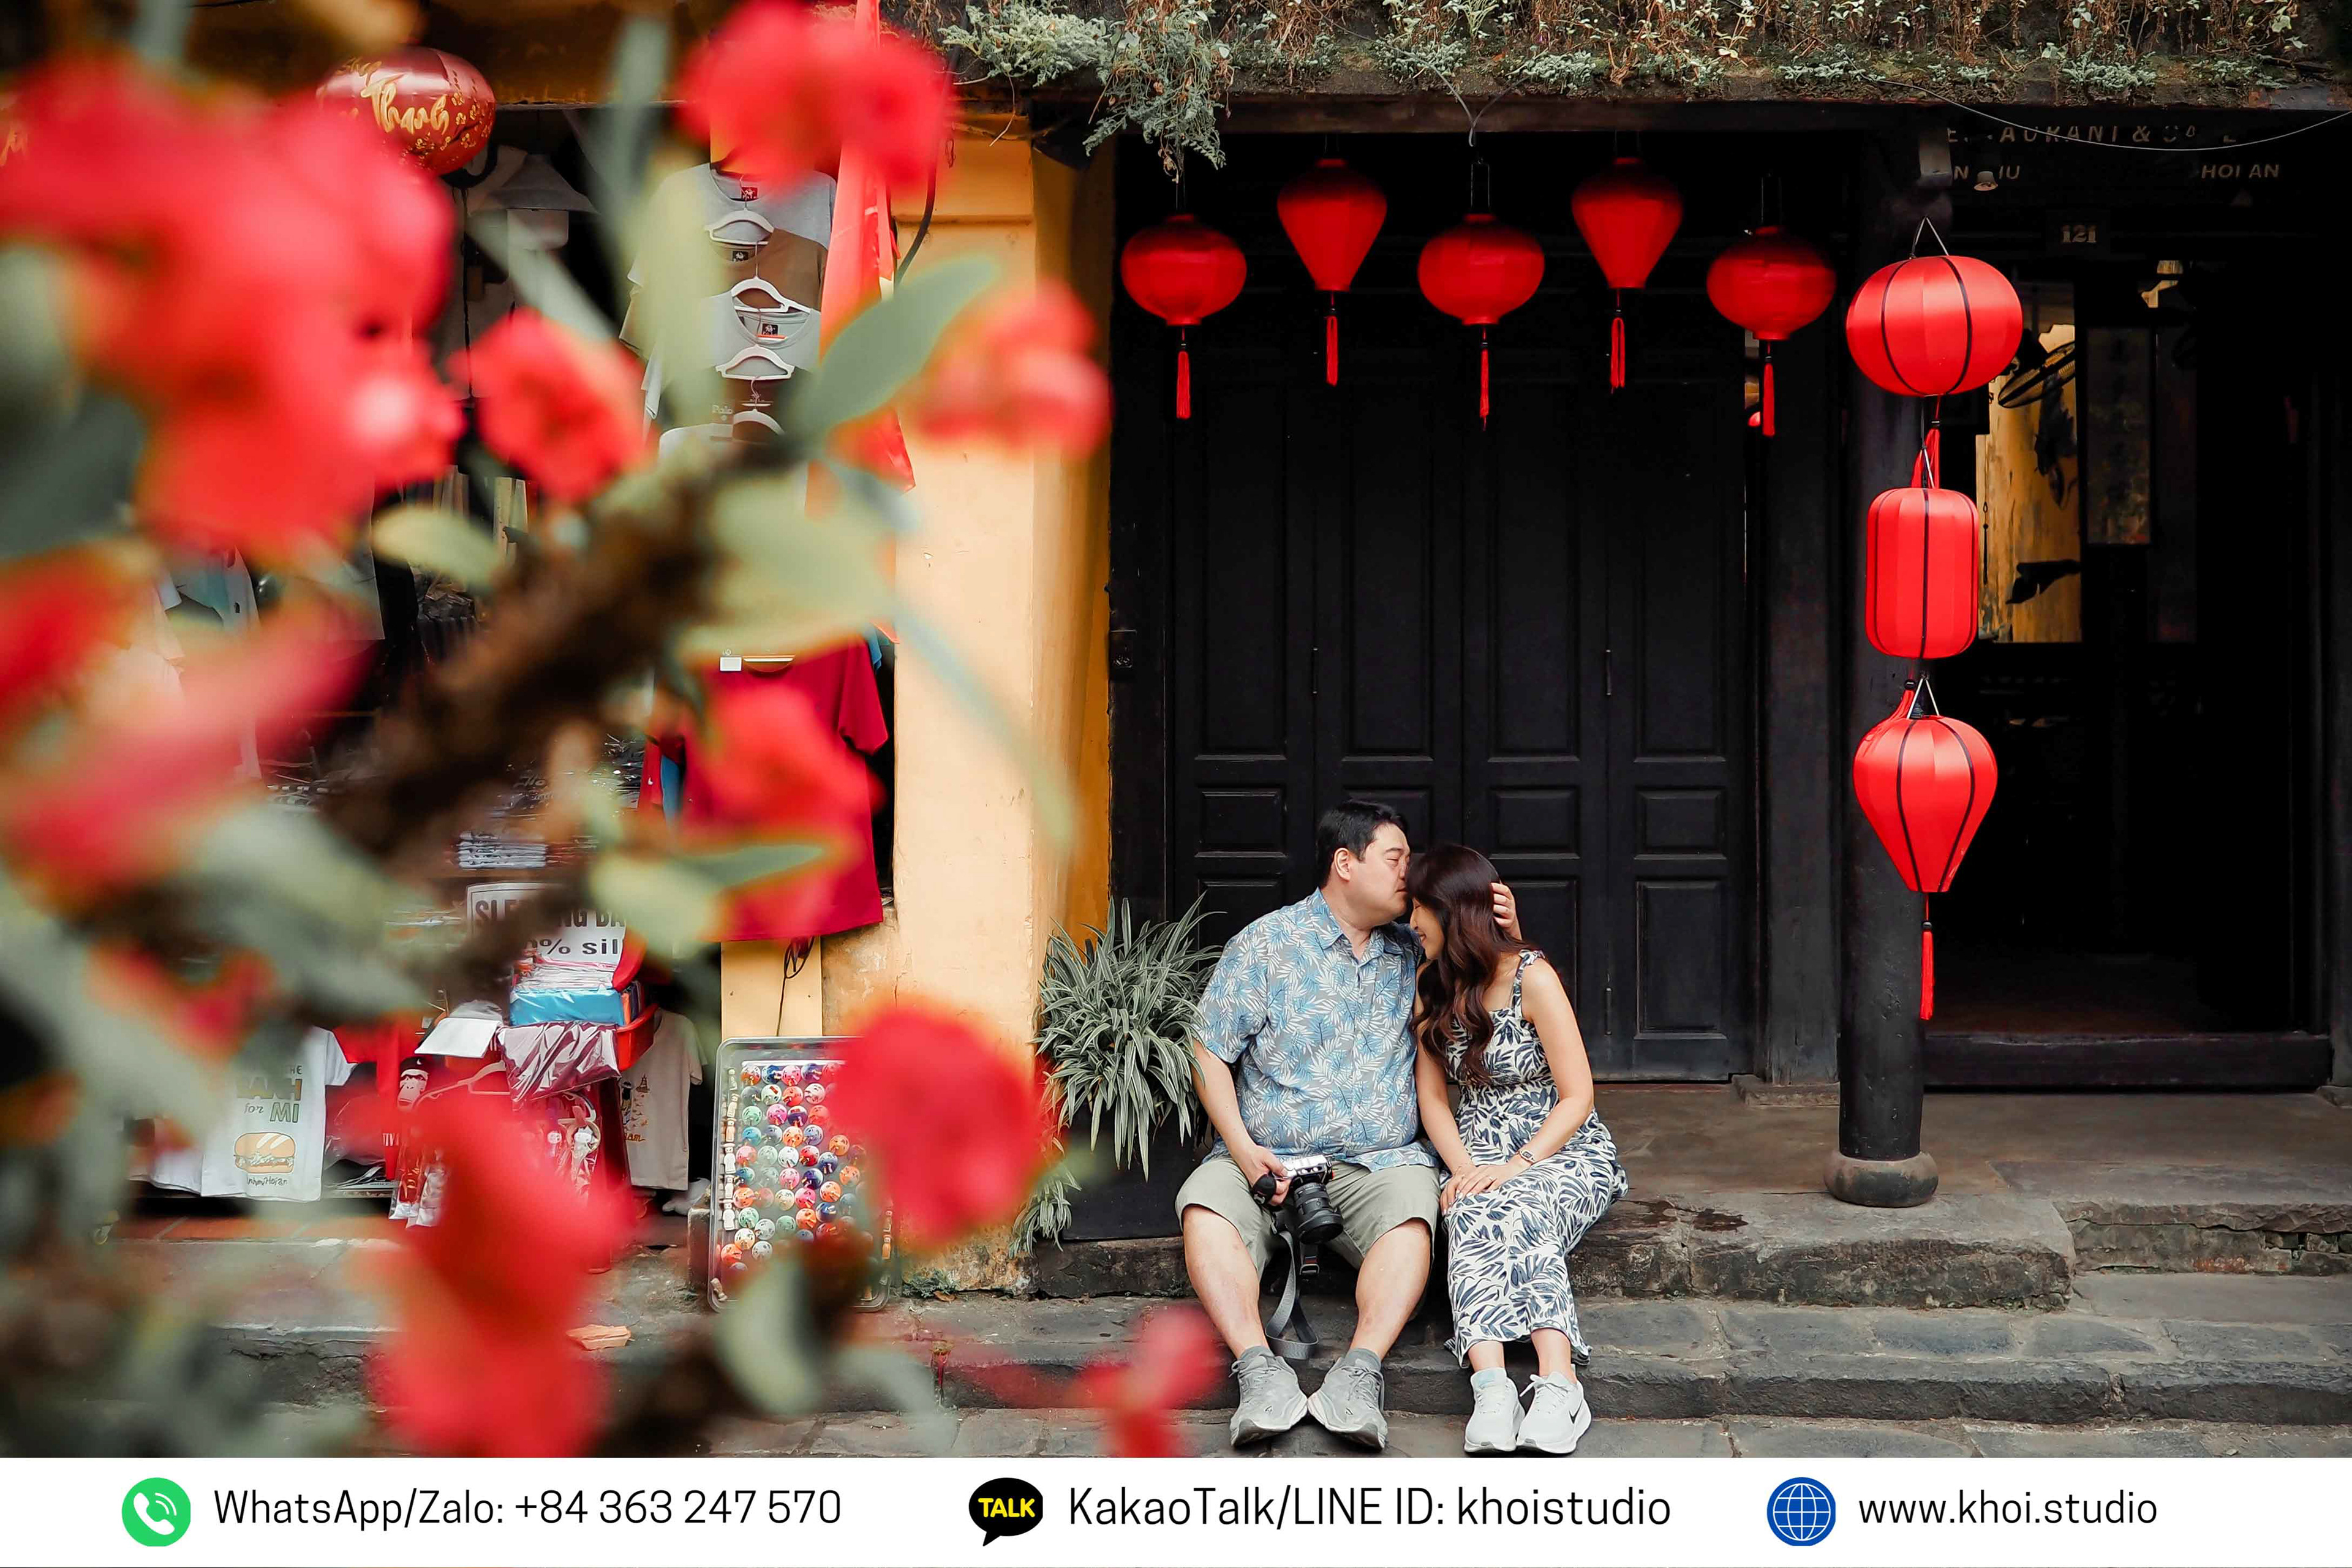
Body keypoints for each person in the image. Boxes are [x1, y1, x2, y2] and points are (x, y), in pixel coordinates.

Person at [1177, 801, 1518, 1450]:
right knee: (1204, 1207)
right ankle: (1258, 1371)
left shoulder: (1416, 948)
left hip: (1379, 1161)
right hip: (1267, 1158)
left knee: (1415, 1216)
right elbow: (1208, 1050)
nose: (1408, 875)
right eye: (1395, 859)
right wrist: (1246, 1154)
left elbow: (1496, 979)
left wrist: (1506, 928)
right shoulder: (1267, 945)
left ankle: (1359, 1374)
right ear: (1345, 863)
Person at [1408, 842, 1626, 1455]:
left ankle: (1559, 1382)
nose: (1411, 924)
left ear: (1447, 912)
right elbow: (1433, 1101)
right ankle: (1493, 1385)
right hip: (1476, 1142)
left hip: (1560, 1147)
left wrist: (1517, 1164)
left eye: (1418, 910)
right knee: (1469, 1206)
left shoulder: (1534, 976)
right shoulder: (1432, 985)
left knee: (1519, 1201)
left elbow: (1577, 1094)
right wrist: (1466, 1169)